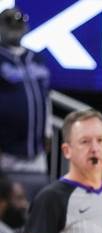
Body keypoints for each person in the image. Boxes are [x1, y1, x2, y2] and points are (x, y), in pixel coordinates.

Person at [0, 7, 49, 175]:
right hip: (6, 154)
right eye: (9, 24)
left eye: (18, 24)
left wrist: (47, 131)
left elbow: (45, 96)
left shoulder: (36, 58)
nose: (15, 29)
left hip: (37, 153)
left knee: (37, 190)